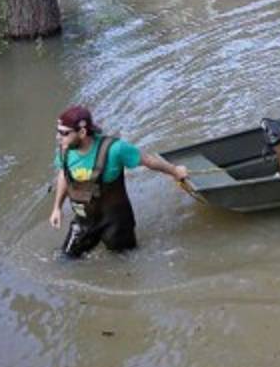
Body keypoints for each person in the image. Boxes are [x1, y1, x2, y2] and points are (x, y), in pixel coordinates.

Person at [48, 105, 188, 259]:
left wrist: (175, 171)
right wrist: (57, 208)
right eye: (58, 132)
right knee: (65, 260)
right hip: (84, 221)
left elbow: (148, 160)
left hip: (115, 222)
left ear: (82, 132)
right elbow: (64, 175)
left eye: (64, 133)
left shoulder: (115, 149)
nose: (58, 137)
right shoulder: (65, 150)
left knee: (124, 259)